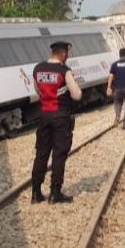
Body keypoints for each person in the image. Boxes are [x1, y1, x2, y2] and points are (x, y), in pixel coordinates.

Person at [31, 41, 82, 204]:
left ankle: (36, 193)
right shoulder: (64, 71)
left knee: (41, 154)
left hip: (44, 115)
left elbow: (37, 91)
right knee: (59, 154)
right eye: (67, 54)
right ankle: (55, 193)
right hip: (61, 117)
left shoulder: (38, 69)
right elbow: (76, 96)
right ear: (63, 54)